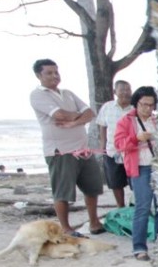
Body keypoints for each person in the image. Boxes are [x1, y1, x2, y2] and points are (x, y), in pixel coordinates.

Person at [29, 58, 106, 236]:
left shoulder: (68, 93)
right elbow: (60, 114)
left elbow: (91, 113)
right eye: (49, 73)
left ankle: (94, 222)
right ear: (39, 75)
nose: (54, 76)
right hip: (60, 151)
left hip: (83, 149)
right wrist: (79, 117)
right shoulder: (38, 95)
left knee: (92, 187)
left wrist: (73, 121)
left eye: (56, 72)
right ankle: (66, 228)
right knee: (63, 192)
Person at [114, 86, 158, 261]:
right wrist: (136, 138)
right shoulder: (126, 121)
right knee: (142, 207)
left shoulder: (157, 121)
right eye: (144, 105)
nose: (147, 109)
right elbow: (119, 145)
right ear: (136, 103)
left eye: (151, 105)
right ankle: (139, 247)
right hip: (140, 168)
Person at [96, 79, 133, 208]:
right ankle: (120, 207)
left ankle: (135, 206)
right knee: (115, 182)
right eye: (122, 89)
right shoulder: (107, 107)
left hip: (132, 152)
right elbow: (102, 126)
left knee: (135, 182)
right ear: (115, 91)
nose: (125, 92)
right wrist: (102, 145)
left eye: (128, 89)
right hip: (112, 151)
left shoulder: (135, 108)